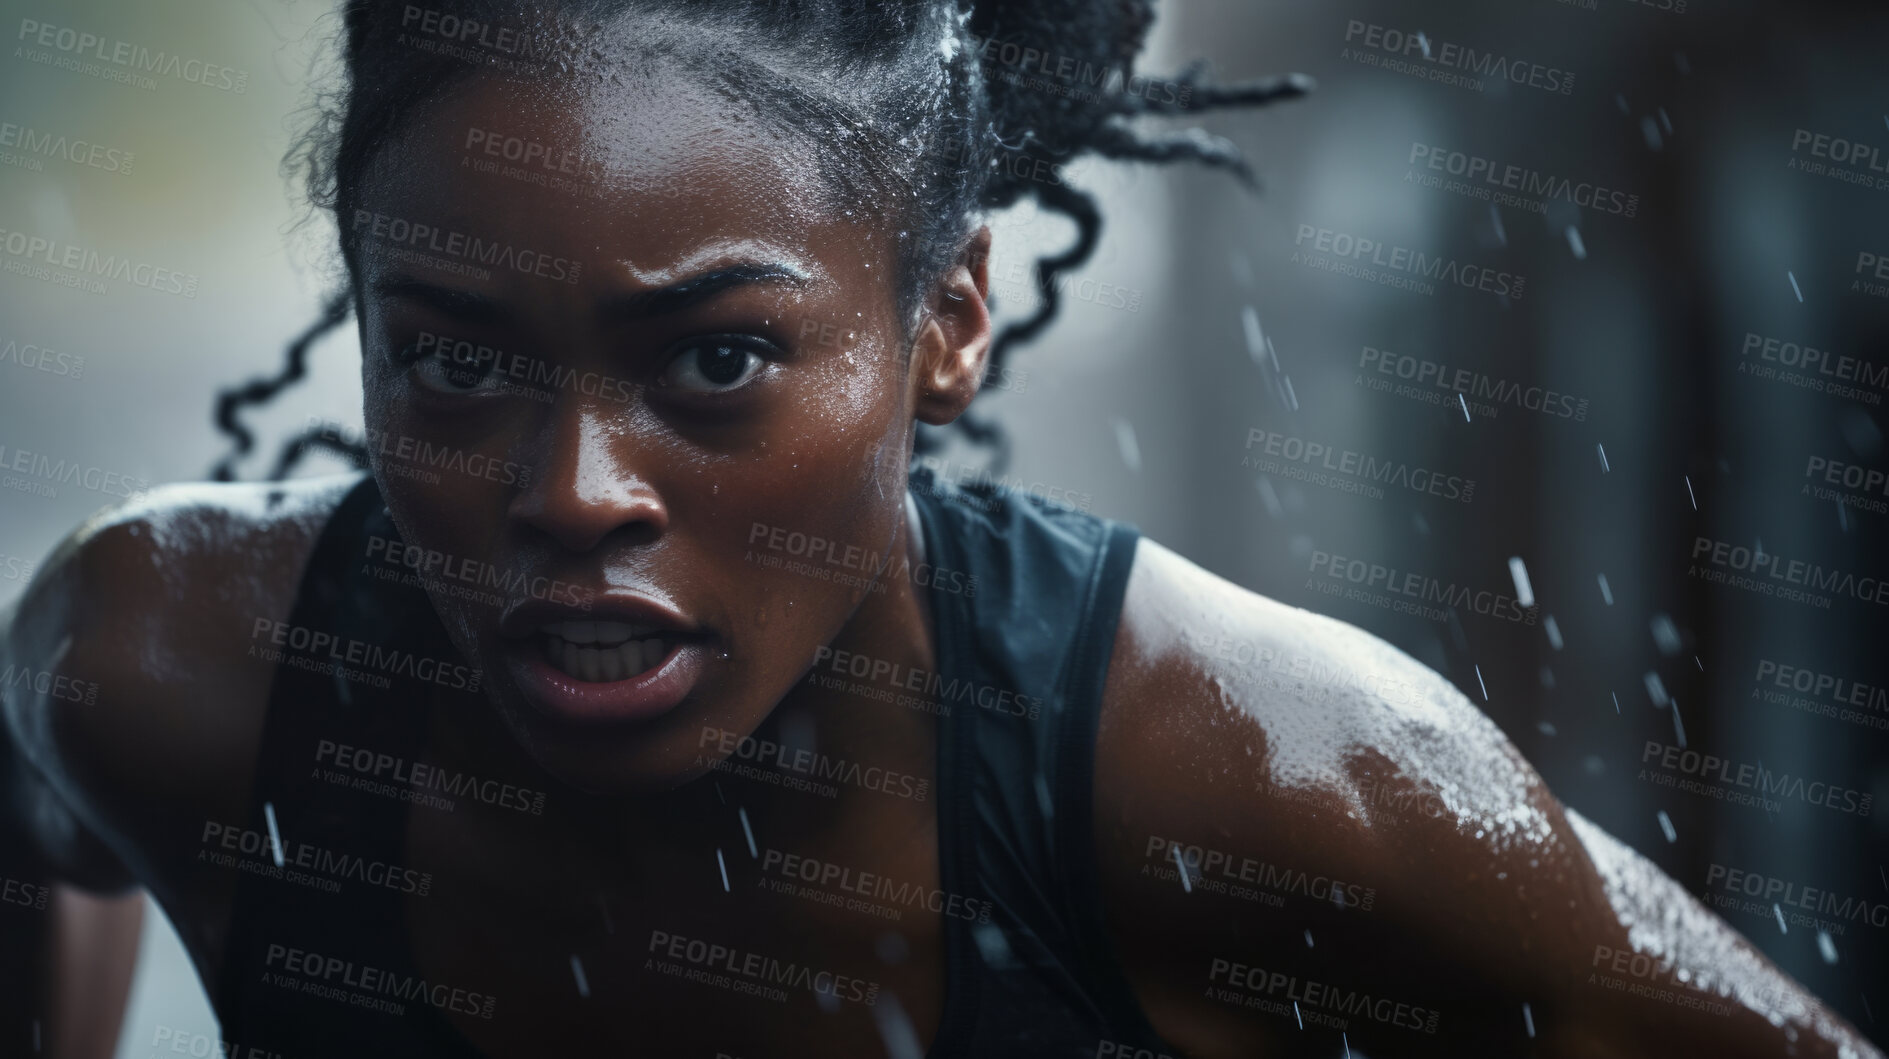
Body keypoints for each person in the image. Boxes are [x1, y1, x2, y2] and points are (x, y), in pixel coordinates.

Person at [0, 0, 1877, 1055]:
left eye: (717, 360)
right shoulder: (166, 662)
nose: (573, 492)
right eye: (455, 365)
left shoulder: (1250, 769)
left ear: (948, 320)